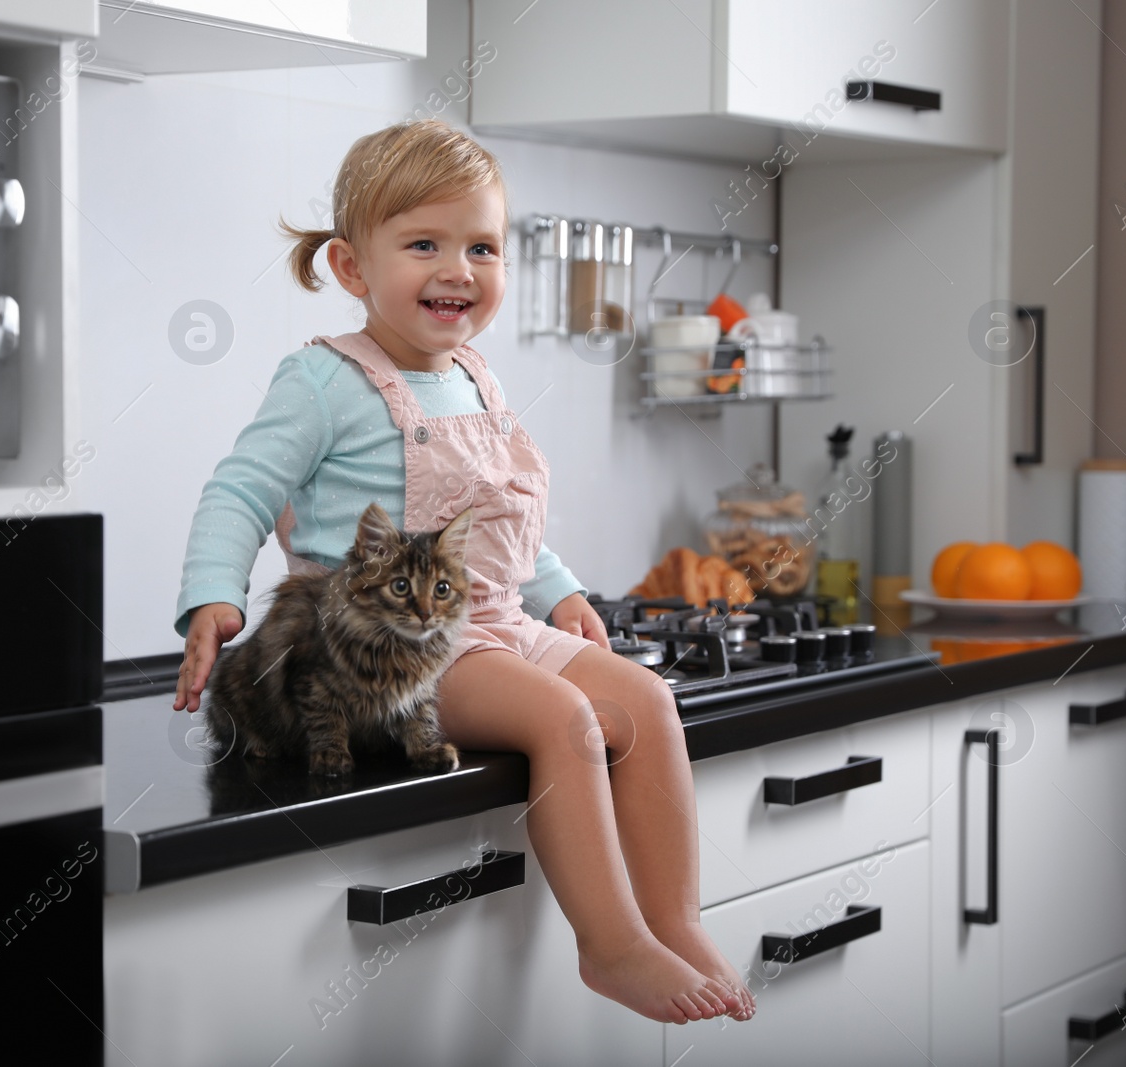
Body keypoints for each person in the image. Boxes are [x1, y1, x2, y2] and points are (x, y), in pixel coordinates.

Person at [171, 119, 755, 1025]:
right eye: (424, 244)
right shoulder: (323, 382)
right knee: (568, 718)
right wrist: (210, 595)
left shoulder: (477, 375)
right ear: (351, 268)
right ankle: (610, 945)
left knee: (647, 699)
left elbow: (498, 520)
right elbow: (238, 490)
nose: (459, 269)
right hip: (388, 650)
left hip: (491, 619)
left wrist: (557, 590)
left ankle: (675, 919)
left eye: (482, 246)